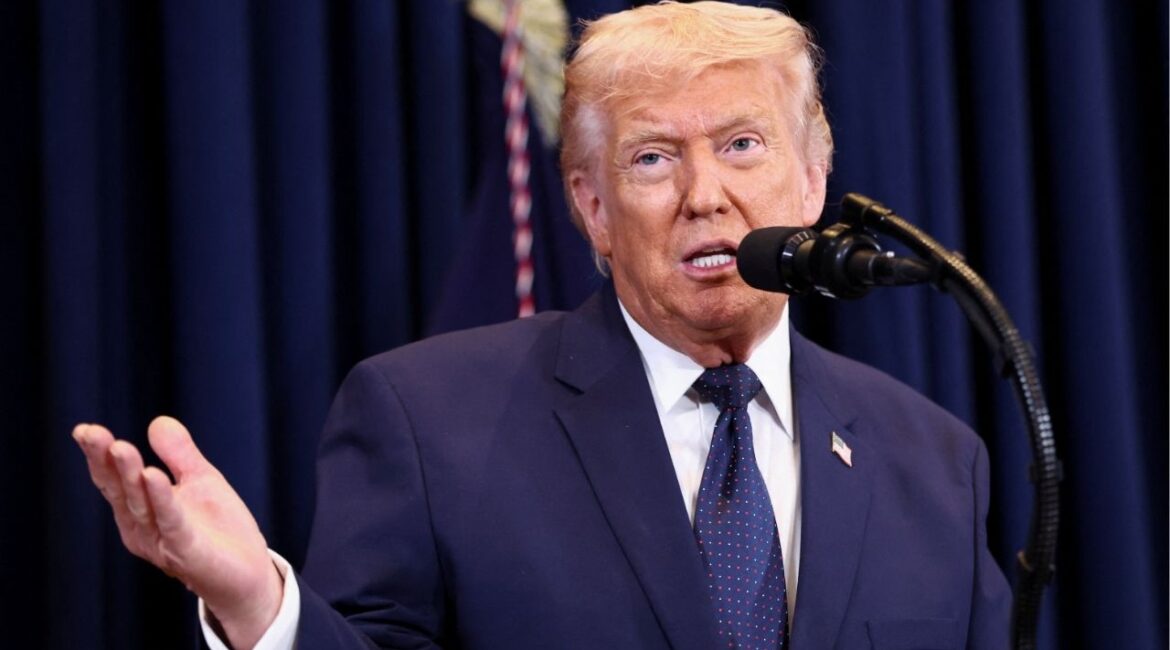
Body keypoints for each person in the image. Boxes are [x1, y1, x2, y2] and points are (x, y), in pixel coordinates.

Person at [72, 2, 1011, 648]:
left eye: (742, 145)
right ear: (592, 210)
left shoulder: (935, 460)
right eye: (652, 159)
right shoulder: (426, 420)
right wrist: (259, 606)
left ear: (813, 181)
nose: (705, 197)